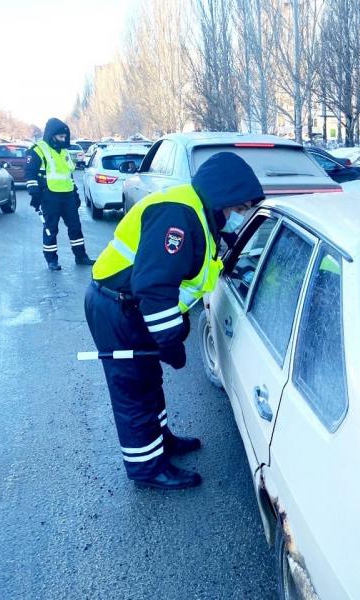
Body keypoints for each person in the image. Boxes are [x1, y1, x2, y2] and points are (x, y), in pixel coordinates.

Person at [84, 153, 264, 490]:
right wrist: (170, 338)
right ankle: (147, 469)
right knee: (133, 389)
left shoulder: (197, 212)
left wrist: (170, 333)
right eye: (239, 208)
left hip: (133, 308)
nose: (239, 216)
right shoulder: (177, 216)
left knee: (149, 379)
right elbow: (154, 286)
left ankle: (160, 440)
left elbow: (183, 278)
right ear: (223, 196)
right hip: (116, 307)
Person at [25, 118, 95, 270]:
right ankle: (52, 260)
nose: (63, 140)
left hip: (67, 196)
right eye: (60, 137)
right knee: (51, 229)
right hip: (49, 195)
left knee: (75, 227)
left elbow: (68, 175)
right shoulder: (38, 150)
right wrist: (35, 194)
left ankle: (81, 256)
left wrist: (75, 194)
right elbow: (30, 174)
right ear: (52, 135)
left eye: (65, 137)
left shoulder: (64, 152)